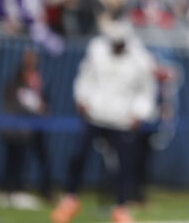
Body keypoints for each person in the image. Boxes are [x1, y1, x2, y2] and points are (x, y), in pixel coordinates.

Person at [51, 18, 156, 223]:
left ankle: (121, 207)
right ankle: (70, 198)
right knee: (78, 156)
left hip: (122, 118)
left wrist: (139, 113)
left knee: (123, 165)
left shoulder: (140, 58)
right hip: (95, 114)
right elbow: (85, 76)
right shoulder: (97, 50)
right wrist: (81, 98)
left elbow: (147, 90)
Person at [0, 48, 52, 207]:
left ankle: (44, 190)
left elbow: (41, 100)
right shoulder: (16, 80)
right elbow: (23, 101)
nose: (32, 61)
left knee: (40, 158)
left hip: (34, 126)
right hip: (17, 128)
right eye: (28, 58)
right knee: (13, 160)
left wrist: (43, 106)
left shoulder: (38, 78)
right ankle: (9, 189)